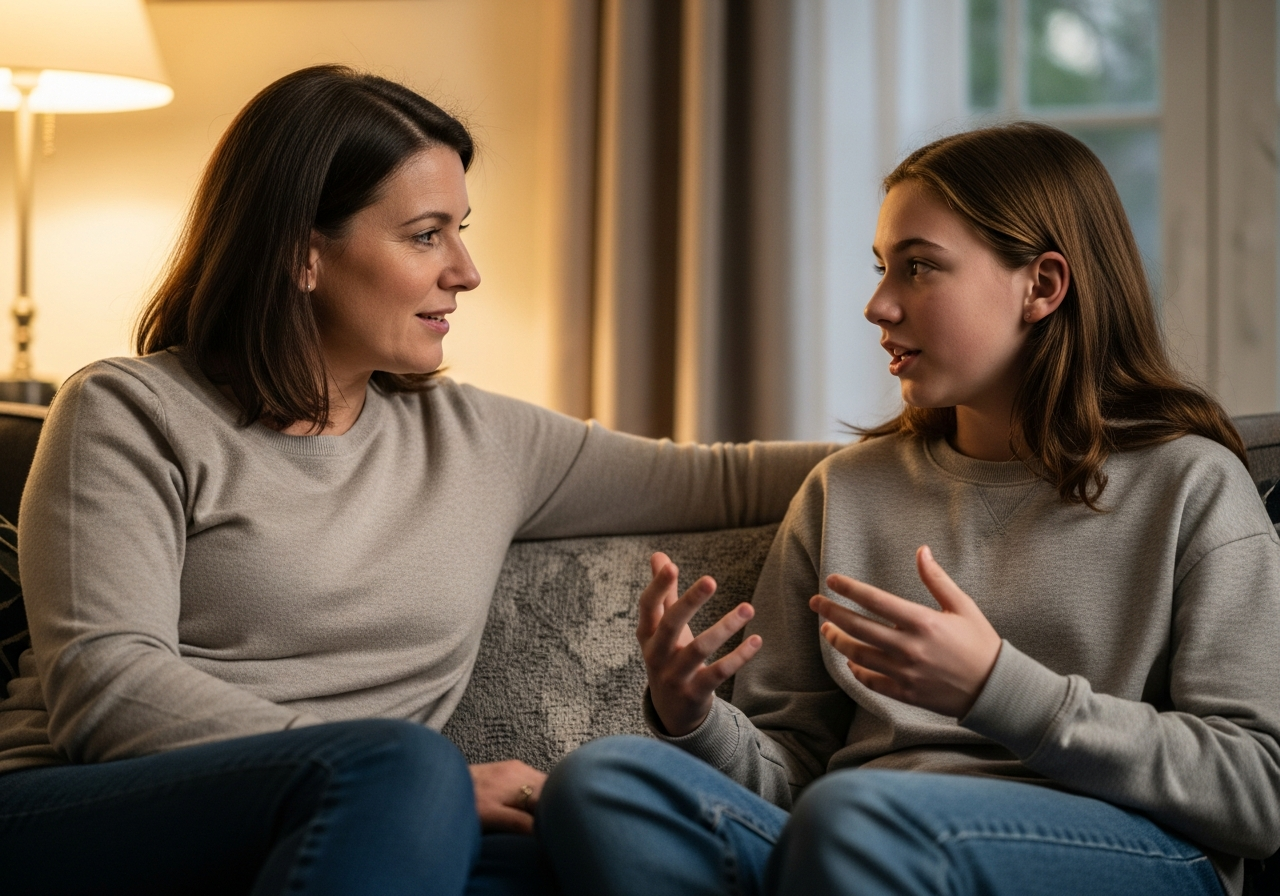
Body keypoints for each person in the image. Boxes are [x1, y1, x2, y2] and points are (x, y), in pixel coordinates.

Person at [0, 65, 834, 896]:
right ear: (301, 254)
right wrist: (403, 775)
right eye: (427, 235)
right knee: (408, 770)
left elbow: (728, 479)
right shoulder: (129, 411)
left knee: (579, 850)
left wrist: (920, 421)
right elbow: (104, 686)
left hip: (372, 819)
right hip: (84, 810)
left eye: (459, 231)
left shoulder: (479, 441)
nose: (465, 271)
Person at [536, 123, 1280, 896]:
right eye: (882, 268)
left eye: (919, 267)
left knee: (854, 817)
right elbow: (792, 774)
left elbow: (1259, 791)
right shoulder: (845, 490)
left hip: (1118, 847)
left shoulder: (1191, 484)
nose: (878, 305)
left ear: (1042, 285)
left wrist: (998, 688)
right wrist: (693, 718)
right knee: (601, 785)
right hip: (852, 837)